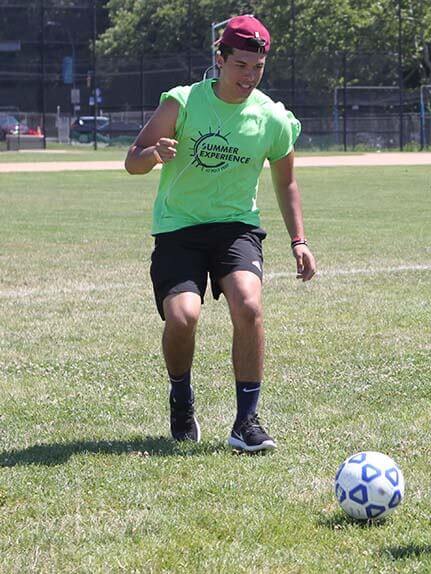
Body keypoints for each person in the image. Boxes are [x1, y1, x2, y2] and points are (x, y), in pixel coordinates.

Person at [124, 15, 316, 451]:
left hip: (236, 229)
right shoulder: (183, 103)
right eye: (240, 65)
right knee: (183, 317)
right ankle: (181, 395)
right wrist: (153, 153)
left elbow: (286, 182)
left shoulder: (271, 118)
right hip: (179, 228)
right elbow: (131, 159)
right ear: (220, 59)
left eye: (257, 68)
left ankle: (246, 423)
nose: (249, 77)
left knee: (249, 304)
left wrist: (299, 241)